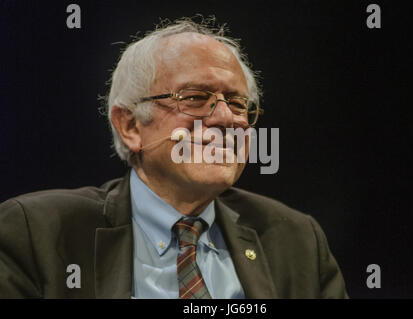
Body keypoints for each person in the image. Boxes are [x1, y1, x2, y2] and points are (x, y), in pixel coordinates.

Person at [0, 18, 348, 299]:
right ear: (131, 125)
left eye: (238, 103)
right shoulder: (36, 233)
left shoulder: (296, 239)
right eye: (195, 97)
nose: (227, 119)